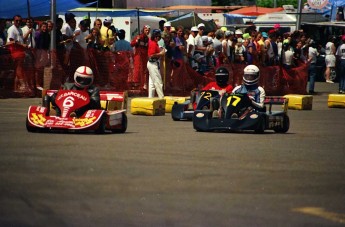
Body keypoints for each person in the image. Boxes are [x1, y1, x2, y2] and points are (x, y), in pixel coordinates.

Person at [147, 29, 165, 98]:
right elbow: (151, 55)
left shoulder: (154, 42)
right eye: (158, 36)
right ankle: (161, 97)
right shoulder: (153, 43)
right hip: (152, 63)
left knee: (152, 84)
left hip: (152, 63)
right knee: (158, 81)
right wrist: (160, 54)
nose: (159, 37)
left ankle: (150, 98)